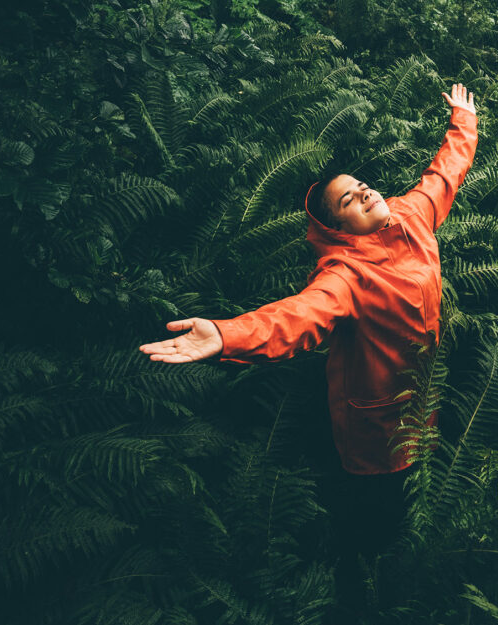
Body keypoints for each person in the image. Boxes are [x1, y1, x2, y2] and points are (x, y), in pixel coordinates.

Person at [140, 83, 479, 619]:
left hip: (423, 400)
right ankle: (361, 591)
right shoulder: (345, 275)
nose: (366, 194)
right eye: (350, 200)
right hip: (374, 426)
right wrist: (226, 336)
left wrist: (464, 119)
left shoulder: (412, 218)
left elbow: (445, 173)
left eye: (362, 186)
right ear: (338, 228)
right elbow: (295, 318)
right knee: (375, 521)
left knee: (420, 497)